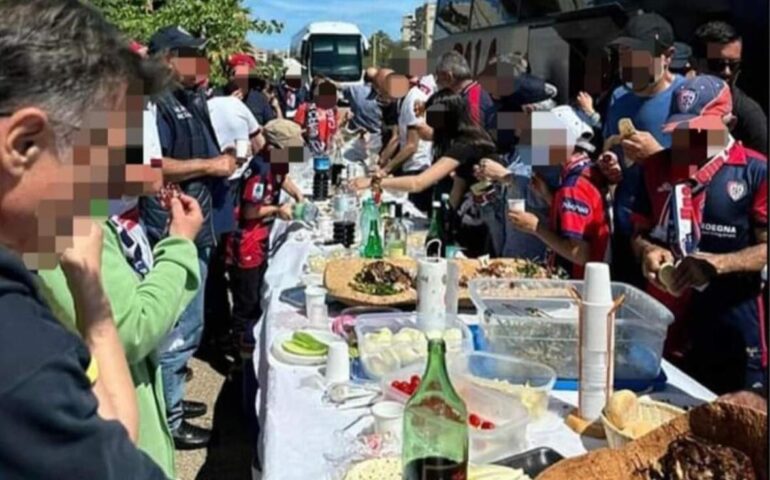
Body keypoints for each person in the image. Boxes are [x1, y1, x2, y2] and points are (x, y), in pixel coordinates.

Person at [0, 0, 172, 477]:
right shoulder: (19, 350)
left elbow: (111, 430)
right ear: (23, 144)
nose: (105, 193)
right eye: (99, 165)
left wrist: (89, 287)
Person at [629, 75, 768, 394]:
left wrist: (718, 264)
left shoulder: (756, 171)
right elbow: (638, 232)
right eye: (682, 130)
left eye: (700, 130)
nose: (689, 138)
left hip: (735, 327)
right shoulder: (657, 167)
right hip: (670, 327)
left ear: (728, 122)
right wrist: (648, 251)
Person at [140, 25, 237, 449]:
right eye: (188, 54)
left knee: (189, 321)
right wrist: (210, 165)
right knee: (180, 326)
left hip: (198, 223)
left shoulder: (186, 96)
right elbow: (150, 168)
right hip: (173, 225)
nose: (199, 62)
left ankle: (172, 396)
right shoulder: (150, 103)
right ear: (164, 58)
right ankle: (170, 418)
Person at [226, 119, 304, 466]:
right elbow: (249, 210)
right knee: (247, 308)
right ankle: (242, 373)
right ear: (274, 146)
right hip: (247, 245)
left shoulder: (275, 164)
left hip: (261, 242)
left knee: (257, 302)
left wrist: (297, 194)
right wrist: (279, 209)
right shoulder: (257, 171)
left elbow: (283, 178)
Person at [351, 90, 498, 255]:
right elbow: (459, 185)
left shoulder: (466, 144)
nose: (427, 121)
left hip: (486, 220)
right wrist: (443, 225)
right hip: (473, 216)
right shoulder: (462, 138)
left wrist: (374, 182)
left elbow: (418, 183)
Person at [603, 12, 686, 286]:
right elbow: (611, 151)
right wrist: (610, 165)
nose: (631, 64)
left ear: (668, 56)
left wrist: (658, 157)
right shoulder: (618, 98)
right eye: (625, 54)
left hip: (672, 239)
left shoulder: (690, 99)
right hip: (626, 231)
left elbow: (713, 170)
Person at [506, 107, 611, 279]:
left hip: (579, 285)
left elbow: (580, 254)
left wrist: (536, 227)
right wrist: (549, 197)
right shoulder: (588, 171)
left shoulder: (572, 187)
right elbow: (584, 221)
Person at [693, 20, 768, 154]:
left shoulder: (749, 116)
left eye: (734, 65)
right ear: (696, 64)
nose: (727, 72)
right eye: (717, 64)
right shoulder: (680, 104)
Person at [378, 73, 436, 213]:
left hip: (419, 167)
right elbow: (396, 137)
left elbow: (412, 146)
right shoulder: (401, 100)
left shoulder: (414, 99)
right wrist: (381, 161)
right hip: (409, 165)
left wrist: (386, 170)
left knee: (416, 214)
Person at [434, 51, 496, 131]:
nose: (437, 82)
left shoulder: (472, 99)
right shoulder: (472, 92)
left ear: (448, 76)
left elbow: (473, 138)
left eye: (438, 78)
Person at [336, 67, 383, 162]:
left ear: (364, 77)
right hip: (376, 139)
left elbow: (338, 86)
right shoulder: (382, 93)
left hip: (356, 138)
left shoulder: (354, 90)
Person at [294, 78, 341, 156]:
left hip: (330, 151)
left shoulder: (333, 109)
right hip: (310, 151)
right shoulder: (305, 108)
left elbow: (336, 129)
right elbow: (296, 131)